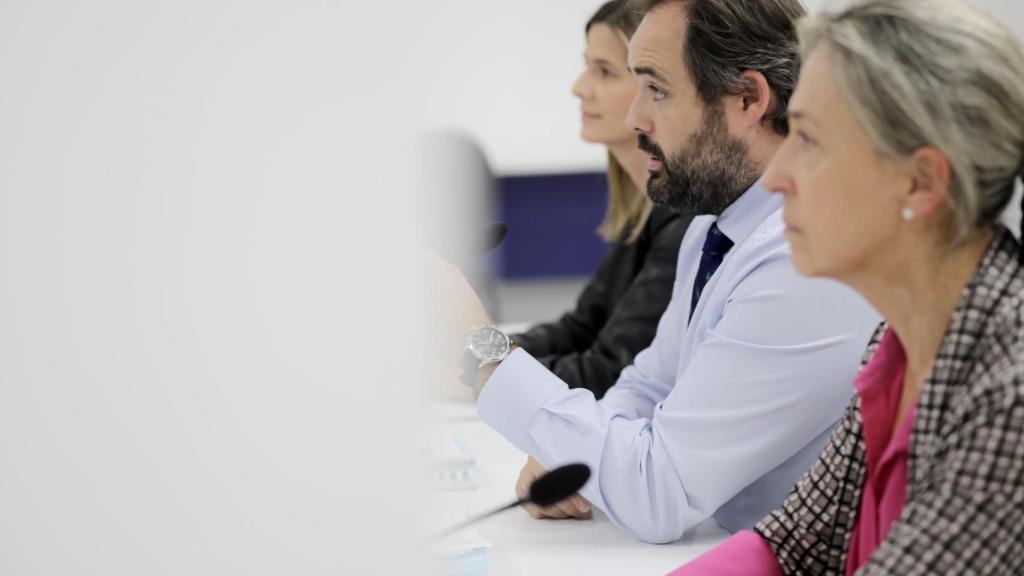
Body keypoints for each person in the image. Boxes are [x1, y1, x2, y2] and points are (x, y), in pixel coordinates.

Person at [458, 0, 881, 543]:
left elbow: (662, 492)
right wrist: (572, 456)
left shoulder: (805, 256)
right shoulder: (715, 229)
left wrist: (484, 352)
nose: (636, 117)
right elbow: (648, 385)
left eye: (656, 89)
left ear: (749, 98)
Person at [671, 0, 1024, 573]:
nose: (779, 176)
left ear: (919, 183)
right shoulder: (899, 339)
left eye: (808, 140)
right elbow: (794, 541)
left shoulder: (1011, 394)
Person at [508, 0, 693, 399]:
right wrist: (485, 351)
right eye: (586, 65)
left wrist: (489, 373)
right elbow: (582, 327)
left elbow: (606, 370)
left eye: (604, 71)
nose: (579, 87)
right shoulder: (643, 210)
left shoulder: (684, 221)